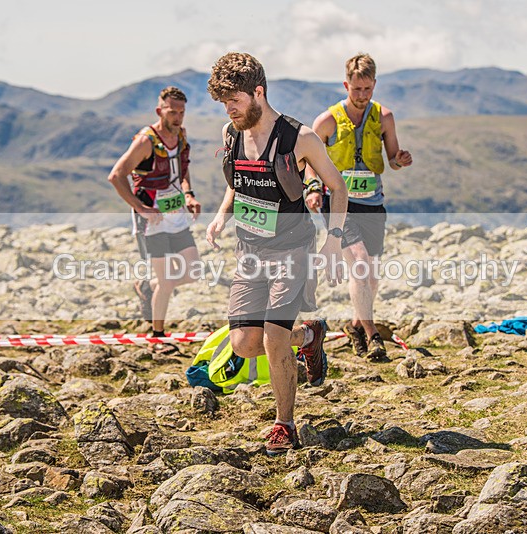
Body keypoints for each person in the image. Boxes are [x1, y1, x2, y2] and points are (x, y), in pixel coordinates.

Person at [206, 52, 348, 456]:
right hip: (250, 251)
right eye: (224, 103)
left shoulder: (298, 138)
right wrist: (220, 216)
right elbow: (238, 180)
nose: (229, 109)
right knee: (245, 343)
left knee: (272, 338)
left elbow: (338, 187)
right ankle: (310, 336)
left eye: (234, 100)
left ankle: (285, 424)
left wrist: (333, 241)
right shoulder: (231, 134)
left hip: (292, 249)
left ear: (259, 92)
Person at [304, 53, 412, 362]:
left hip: (372, 201)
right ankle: (372, 333)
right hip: (338, 202)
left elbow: (391, 160)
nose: (362, 95)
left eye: (367, 89)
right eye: (356, 89)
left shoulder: (384, 117)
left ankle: (355, 325)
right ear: (345, 84)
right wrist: (312, 188)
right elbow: (309, 160)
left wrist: (399, 160)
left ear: (374, 85)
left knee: (371, 275)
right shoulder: (326, 121)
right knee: (360, 262)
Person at [107, 86, 202, 337]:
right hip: (153, 220)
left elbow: (183, 169)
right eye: (172, 112)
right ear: (160, 111)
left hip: (176, 213)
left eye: (181, 112)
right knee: (168, 280)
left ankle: (148, 287)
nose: (178, 117)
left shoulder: (181, 136)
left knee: (193, 271)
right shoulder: (146, 142)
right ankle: (158, 335)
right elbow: (116, 176)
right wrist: (140, 208)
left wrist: (189, 194)